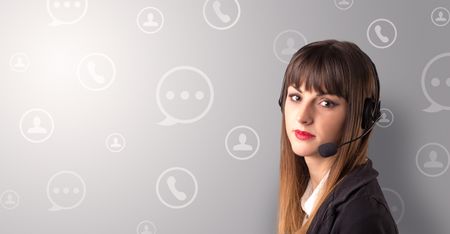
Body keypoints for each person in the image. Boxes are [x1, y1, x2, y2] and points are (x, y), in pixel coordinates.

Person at [276, 39, 399, 234]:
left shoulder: (362, 217)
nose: (302, 117)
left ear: (363, 116)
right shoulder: (311, 197)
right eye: (296, 97)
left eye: (325, 103)